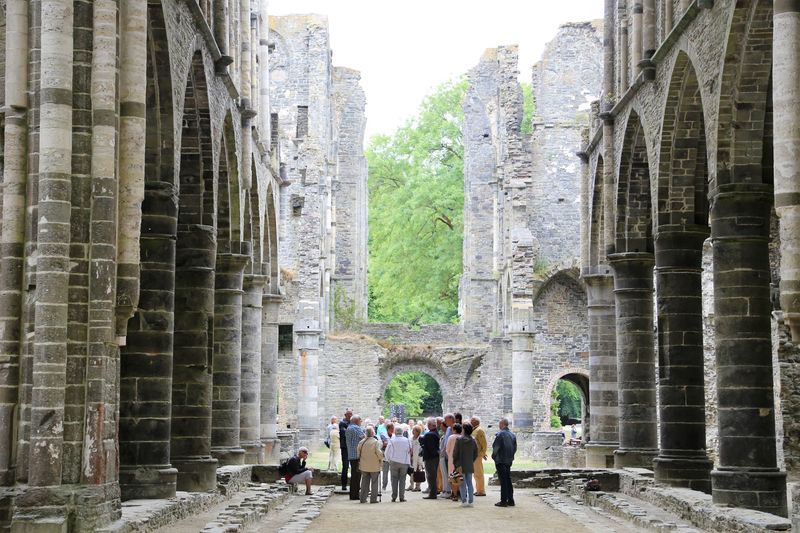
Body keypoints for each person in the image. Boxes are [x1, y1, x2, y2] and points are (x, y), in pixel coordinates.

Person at [492, 417, 517, 507]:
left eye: (499, 424)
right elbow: (515, 448)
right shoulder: (512, 435)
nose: (499, 425)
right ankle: (510, 499)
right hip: (508, 459)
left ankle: (503, 501)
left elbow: (496, 447)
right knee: (508, 479)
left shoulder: (500, 434)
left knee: (503, 481)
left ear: (502, 424)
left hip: (501, 460)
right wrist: (511, 457)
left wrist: (494, 456)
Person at [453, 423, 479, 507]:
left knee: (462, 483)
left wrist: (456, 464)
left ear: (464, 429)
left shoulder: (459, 439)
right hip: (469, 464)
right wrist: (471, 461)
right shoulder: (473, 440)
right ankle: (471, 501)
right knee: (469, 483)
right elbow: (476, 453)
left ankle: (464, 501)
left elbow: (455, 453)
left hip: (460, 464)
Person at [385, 424, 412, 502]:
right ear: (402, 432)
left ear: (395, 432)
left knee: (394, 479)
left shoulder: (392, 440)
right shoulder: (407, 440)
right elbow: (410, 450)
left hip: (394, 461)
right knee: (403, 480)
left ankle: (394, 496)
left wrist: (388, 460)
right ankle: (401, 497)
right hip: (404, 462)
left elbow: (387, 452)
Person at [357, 427, 384, 504]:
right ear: (372, 433)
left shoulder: (361, 442)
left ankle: (362, 498)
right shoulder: (376, 442)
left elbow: (358, 453)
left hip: (364, 465)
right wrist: (381, 458)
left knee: (364, 482)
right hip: (374, 466)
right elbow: (379, 453)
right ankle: (373, 499)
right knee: (374, 482)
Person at [345, 414, 365, 500]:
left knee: (354, 475)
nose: (361, 422)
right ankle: (355, 495)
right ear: (357, 421)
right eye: (360, 420)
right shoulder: (356, 428)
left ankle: (353, 494)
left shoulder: (348, 428)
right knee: (357, 476)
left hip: (351, 455)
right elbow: (364, 438)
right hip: (357, 456)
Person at [419, 419, 440, 499]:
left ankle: (432, 494)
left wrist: (422, 441)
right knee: (433, 475)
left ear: (430, 425)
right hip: (435, 457)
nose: (427, 426)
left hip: (430, 458)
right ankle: (433, 492)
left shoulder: (429, 435)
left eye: (428, 424)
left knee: (431, 476)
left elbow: (428, 447)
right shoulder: (436, 433)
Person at [470, 416, 488, 496]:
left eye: (472, 420)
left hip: (477, 455)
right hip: (473, 455)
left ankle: (481, 491)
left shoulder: (479, 430)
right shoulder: (474, 430)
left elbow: (483, 443)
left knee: (478, 473)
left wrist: (483, 453)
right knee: (475, 474)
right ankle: (478, 489)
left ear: (475, 422)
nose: (470, 422)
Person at [438, 413, 454, 498]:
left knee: (450, 474)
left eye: (446, 419)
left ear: (451, 419)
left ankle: (449, 491)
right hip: (445, 455)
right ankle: (446, 490)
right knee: (445, 474)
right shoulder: (448, 429)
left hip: (451, 455)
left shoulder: (454, 428)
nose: (445, 421)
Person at [446, 423, 463, 500]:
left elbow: (447, 449)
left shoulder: (451, 437)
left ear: (454, 430)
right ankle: (460, 492)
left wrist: (450, 455)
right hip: (461, 460)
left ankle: (454, 494)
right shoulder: (463, 437)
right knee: (460, 476)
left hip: (452, 459)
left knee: (452, 476)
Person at [339, 409, 352, 491]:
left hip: (352, 447)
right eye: (349, 414)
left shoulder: (352, 423)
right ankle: (344, 485)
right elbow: (345, 433)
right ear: (345, 415)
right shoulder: (342, 423)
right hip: (345, 447)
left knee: (354, 466)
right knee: (345, 466)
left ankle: (354, 485)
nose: (350, 415)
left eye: (351, 414)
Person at [408, 424, 423, 491]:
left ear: (418, 431)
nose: (413, 431)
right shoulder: (411, 438)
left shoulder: (420, 438)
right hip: (412, 457)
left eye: (414, 430)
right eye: (413, 430)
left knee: (418, 471)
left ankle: (418, 486)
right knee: (411, 471)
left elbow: (421, 449)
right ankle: (411, 485)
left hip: (418, 458)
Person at [380, 422, 394, 491]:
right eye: (391, 428)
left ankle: (393, 486)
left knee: (393, 473)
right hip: (385, 456)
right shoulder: (383, 434)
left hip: (393, 457)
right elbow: (384, 444)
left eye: (393, 428)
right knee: (385, 472)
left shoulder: (394, 435)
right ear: (388, 429)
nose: (393, 430)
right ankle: (384, 486)